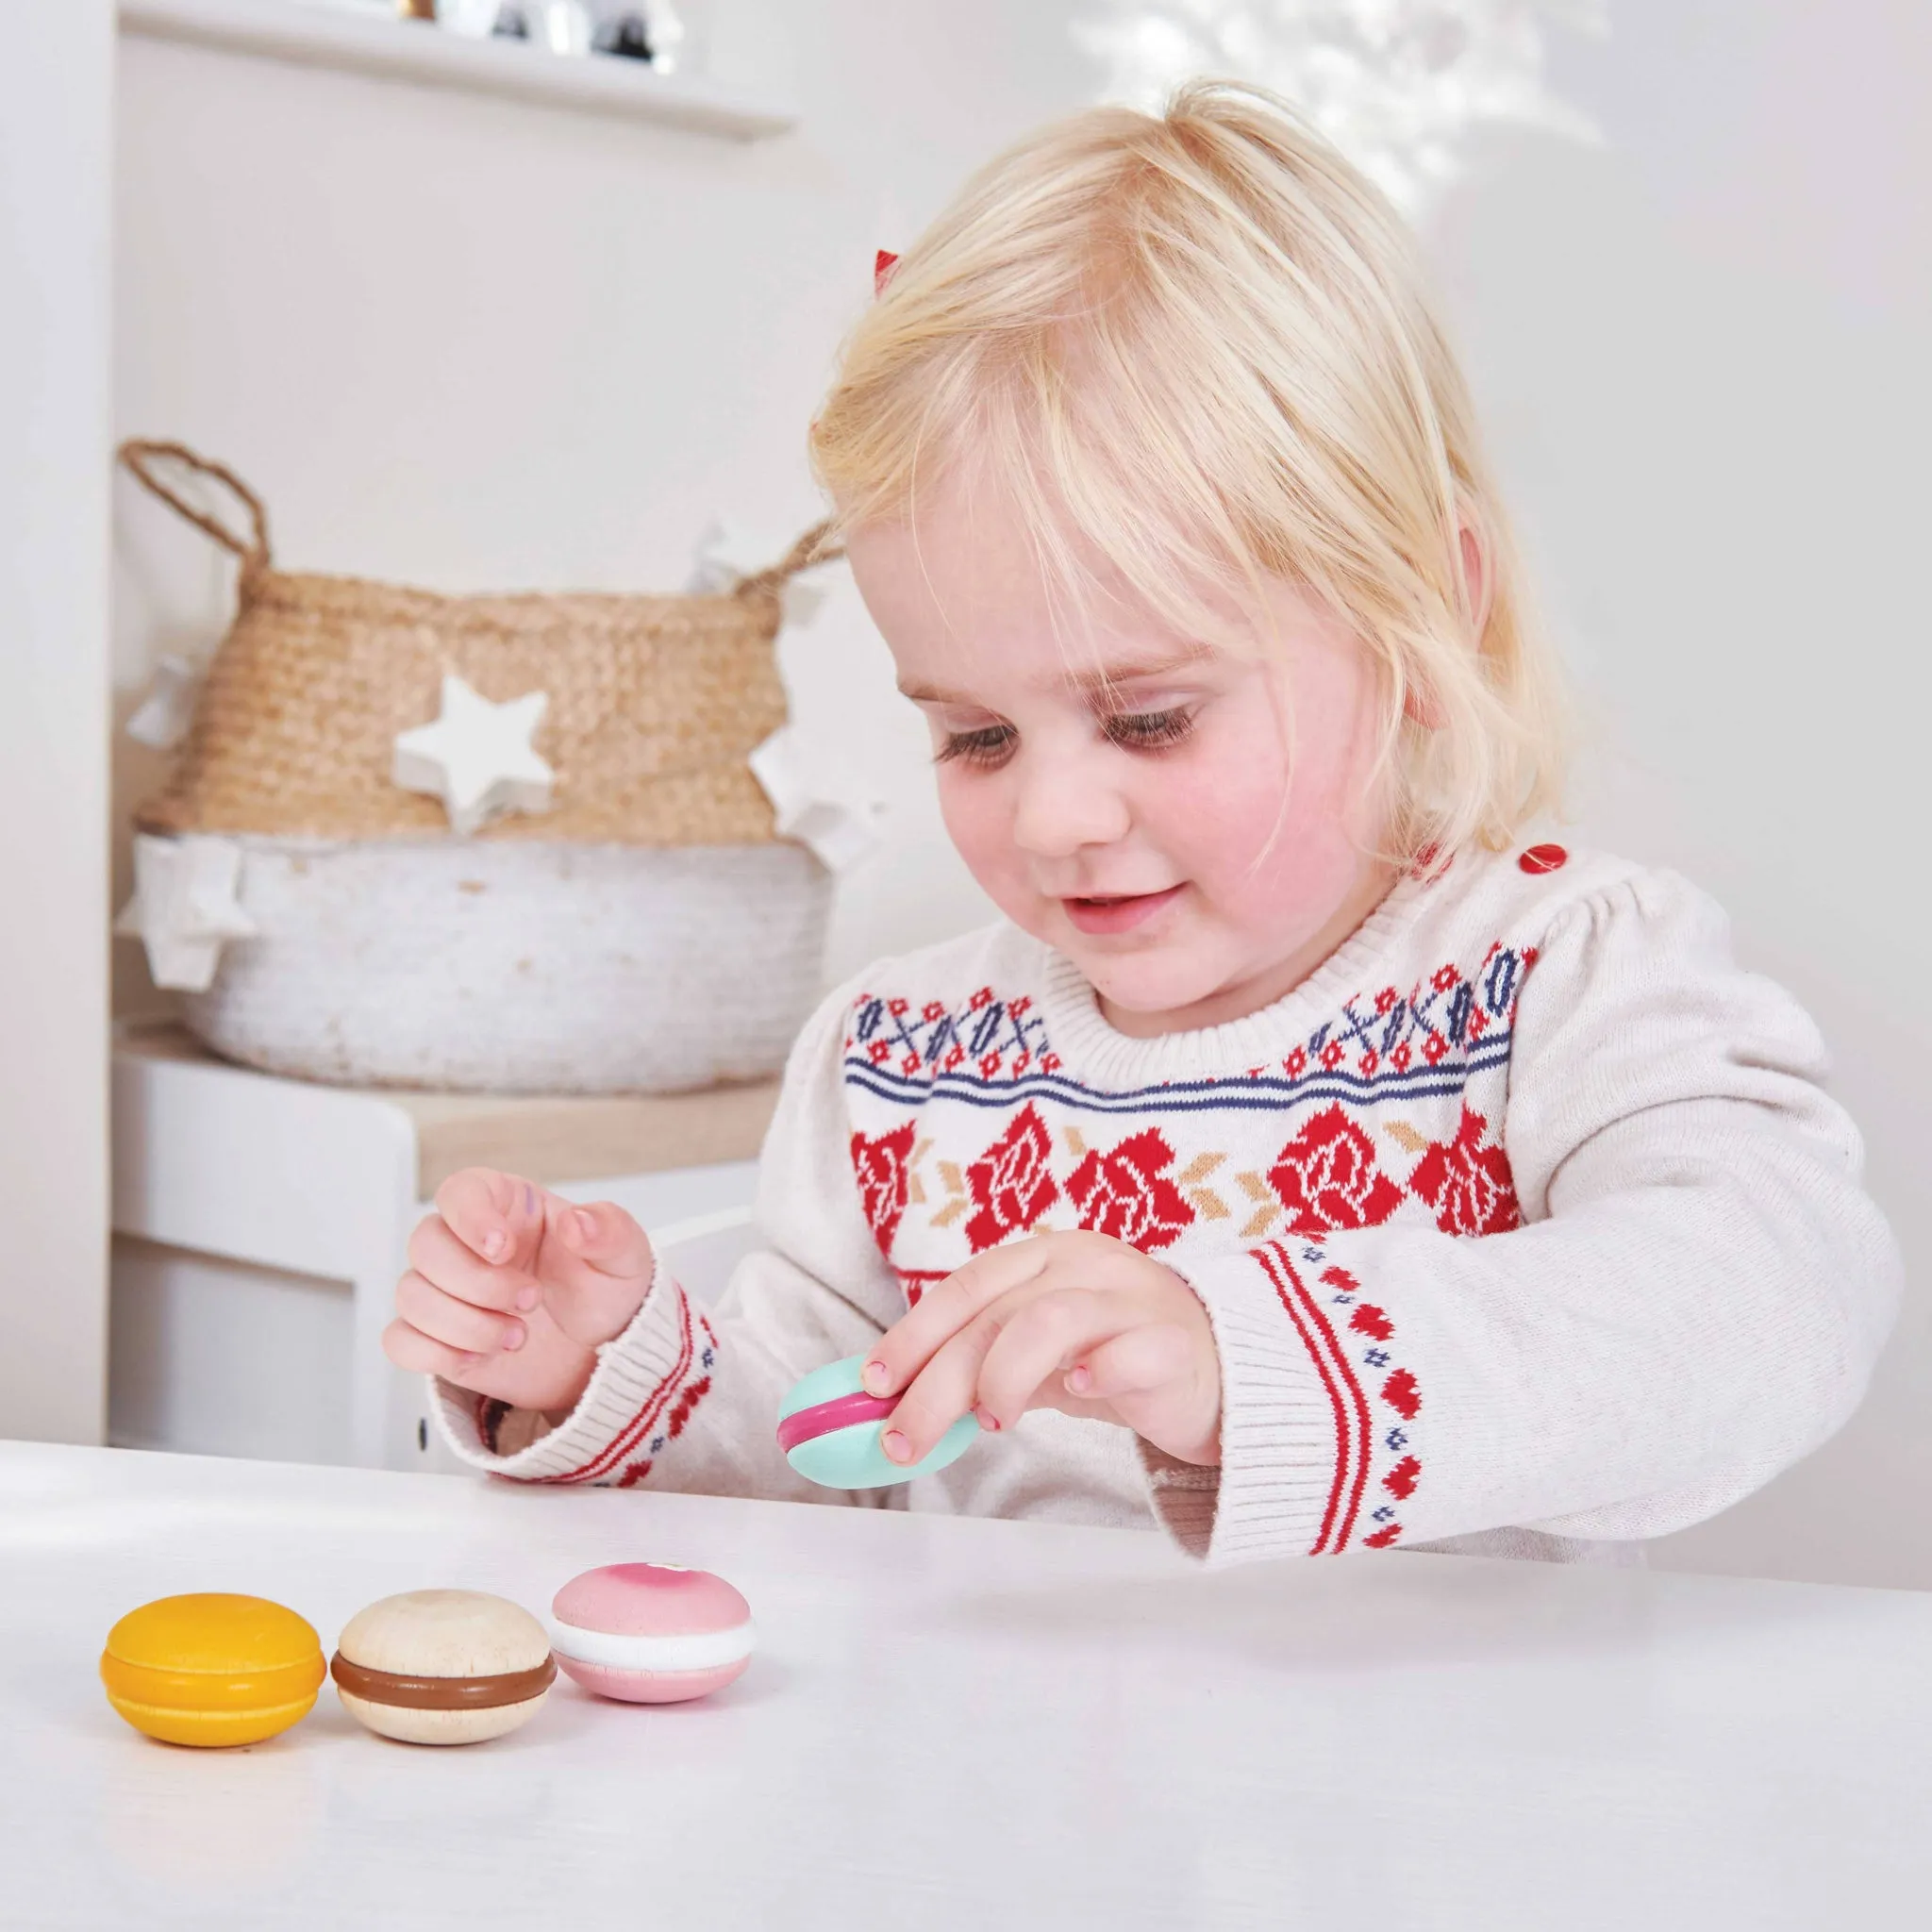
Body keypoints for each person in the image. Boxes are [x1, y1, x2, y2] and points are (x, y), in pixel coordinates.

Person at [384, 83, 1897, 1564]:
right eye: (975, 734)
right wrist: (612, 1379)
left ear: (1422, 616)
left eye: (1152, 717)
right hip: (990, 1793)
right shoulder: (902, 1061)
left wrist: (1245, 1360)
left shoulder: (1555, 977)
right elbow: (821, 1455)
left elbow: (1773, 1301)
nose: (1055, 815)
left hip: (1442, 1802)